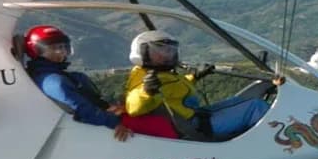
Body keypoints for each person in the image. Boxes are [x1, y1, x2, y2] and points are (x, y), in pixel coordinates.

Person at [24, 25, 175, 139]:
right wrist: (114, 122)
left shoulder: (54, 76)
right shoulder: (53, 80)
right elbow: (79, 108)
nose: (61, 52)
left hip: (102, 117)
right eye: (55, 48)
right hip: (102, 124)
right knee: (161, 125)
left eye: (64, 47)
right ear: (37, 51)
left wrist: (111, 108)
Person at [123, 29, 273, 139]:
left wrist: (194, 77)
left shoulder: (160, 74)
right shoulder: (145, 78)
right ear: (142, 53)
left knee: (244, 101)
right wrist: (146, 91)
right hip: (193, 127)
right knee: (255, 107)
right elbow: (133, 106)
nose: (167, 56)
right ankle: (282, 142)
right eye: (160, 51)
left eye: (170, 51)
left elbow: (174, 90)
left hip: (197, 118)